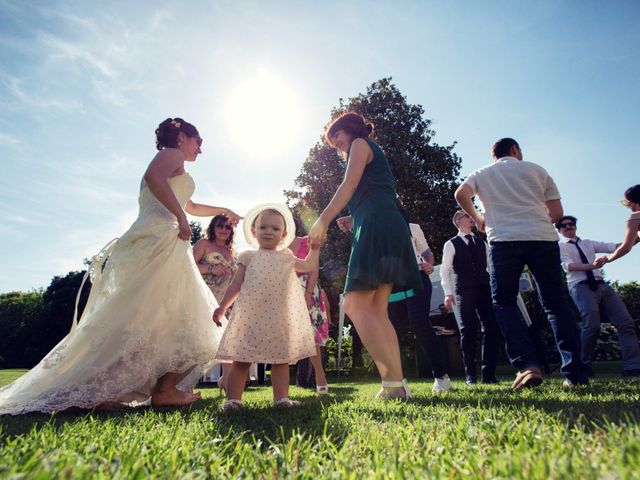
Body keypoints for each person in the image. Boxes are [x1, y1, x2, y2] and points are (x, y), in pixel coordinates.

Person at [0, 118, 241, 415]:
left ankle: (154, 390)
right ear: (181, 136)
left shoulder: (177, 166)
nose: (200, 150)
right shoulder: (172, 153)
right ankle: (150, 390)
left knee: (159, 315)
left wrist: (221, 210)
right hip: (159, 241)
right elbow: (154, 177)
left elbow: (190, 206)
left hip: (163, 242)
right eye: (198, 141)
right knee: (166, 315)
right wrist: (180, 219)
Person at [454, 137, 588, 389]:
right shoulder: (538, 170)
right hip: (542, 239)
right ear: (515, 149)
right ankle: (574, 373)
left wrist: (478, 218)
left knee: (504, 303)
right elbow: (557, 214)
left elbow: (461, 193)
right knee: (556, 304)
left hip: (503, 240)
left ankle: (527, 365)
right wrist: (535, 220)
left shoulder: (483, 173)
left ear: (494, 154)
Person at [308, 112, 422, 399]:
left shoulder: (360, 143)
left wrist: (322, 220)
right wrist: (353, 216)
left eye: (336, 136)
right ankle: (396, 384)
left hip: (378, 224)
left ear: (349, 129)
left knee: (355, 304)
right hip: (383, 222)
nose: (334, 143)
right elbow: (374, 191)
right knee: (377, 311)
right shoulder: (366, 150)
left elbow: (349, 185)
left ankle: (393, 383)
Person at [214, 204, 318, 410]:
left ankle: (281, 399)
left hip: (278, 317)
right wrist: (222, 306)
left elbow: (307, 266)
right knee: (241, 359)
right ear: (254, 231)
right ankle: (234, 400)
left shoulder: (287, 256)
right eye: (263, 228)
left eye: (275, 229)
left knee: (280, 359)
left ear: (284, 234)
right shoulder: (248, 256)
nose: (268, 232)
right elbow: (236, 284)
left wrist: (314, 249)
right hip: (250, 316)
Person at [556, 215, 640, 377]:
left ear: (575, 226)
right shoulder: (560, 247)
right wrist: (592, 265)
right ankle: (583, 365)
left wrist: (635, 237)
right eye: (564, 225)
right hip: (580, 287)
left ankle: (633, 366)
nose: (568, 227)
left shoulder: (588, 243)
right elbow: (568, 266)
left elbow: (615, 246)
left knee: (626, 323)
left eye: (571, 224)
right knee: (592, 326)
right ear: (559, 230)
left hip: (602, 285)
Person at [440, 210, 500, 385]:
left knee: (491, 329)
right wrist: (448, 293)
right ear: (459, 221)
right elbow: (445, 270)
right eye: (468, 216)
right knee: (468, 330)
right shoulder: (451, 244)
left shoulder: (482, 242)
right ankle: (470, 375)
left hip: (484, 288)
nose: (472, 219)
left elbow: (490, 266)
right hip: (464, 290)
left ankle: (489, 374)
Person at [193, 214, 238, 389]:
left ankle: (226, 380)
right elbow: (188, 266)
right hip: (205, 297)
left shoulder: (232, 252)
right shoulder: (203, 244)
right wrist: (210, 268)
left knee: (227, 339)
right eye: (220, 225)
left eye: (228, 227)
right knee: (198, 338)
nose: (223, 230)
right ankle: (180, 383)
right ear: (213, 227)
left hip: (225, 302)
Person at [288, 218, 330, 395]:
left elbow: (314, 270)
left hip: (308, 290)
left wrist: (306, 294)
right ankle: (282, 388)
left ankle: (320, 376)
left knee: (312, 335)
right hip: (285, 291)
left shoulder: (308, 240)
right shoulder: (276, 246)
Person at [594, 184, 640, 267]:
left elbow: (626, 247)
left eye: (627, 202)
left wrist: (608, 259)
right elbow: (635, 240)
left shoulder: (635, 217)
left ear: (635, 201)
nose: (627, 206)